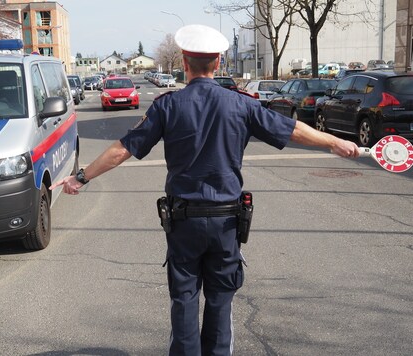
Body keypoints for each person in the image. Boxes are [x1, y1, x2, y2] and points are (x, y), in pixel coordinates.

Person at [51, 24, 359, 356]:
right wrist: (336, 142)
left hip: (183, 222)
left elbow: (123, 149)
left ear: (184, 61)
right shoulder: (241, 104)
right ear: (218, 62)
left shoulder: (168, 105)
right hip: (227, 222)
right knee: (220, 300)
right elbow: (291, 129)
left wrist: (81, 177)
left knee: (184, 300)